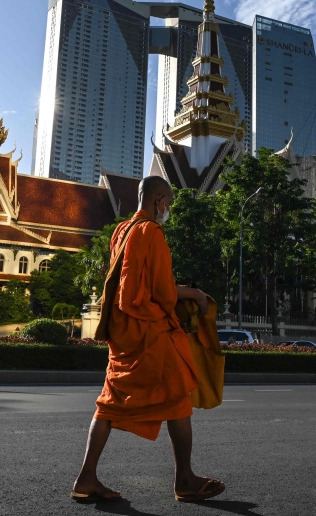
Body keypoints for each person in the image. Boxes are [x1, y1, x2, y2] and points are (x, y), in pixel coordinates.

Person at [71, 175, 225, 504]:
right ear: (158, 200)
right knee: (180, 396)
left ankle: (86, 477)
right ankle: (184, 479)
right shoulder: (151, 233)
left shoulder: (121, 231)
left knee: (110, 404)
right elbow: (162, 292)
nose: (168, 209)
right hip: (150, 332)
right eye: (167, 202)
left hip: (124, 333)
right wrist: (195, 293)